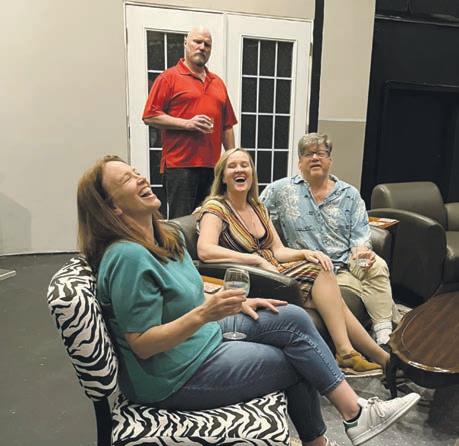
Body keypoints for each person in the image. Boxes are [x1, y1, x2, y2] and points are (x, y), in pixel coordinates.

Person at [76, 155, 420, 446]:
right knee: (296, 361)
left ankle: (356, 414)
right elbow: (143, 344)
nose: (140, 177)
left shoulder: (165, 236)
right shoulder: (128, 257)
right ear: (113, 207)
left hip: (199, 338)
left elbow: (185, 293)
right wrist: (204, 314)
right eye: (126, 179)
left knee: (292, 317)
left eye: (135, 171)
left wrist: (232, 302)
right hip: (173, 375)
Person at [197, 148, 389, 374]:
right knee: (322, 276)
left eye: (244, 165)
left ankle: (373, 357)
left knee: (328, 287)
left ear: (252, 173)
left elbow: (278, 250)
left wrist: (305, 253)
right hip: (251, 278)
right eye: (232, 166)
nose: (239, 170)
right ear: (222, 176)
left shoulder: (257, 207)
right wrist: (254, 260)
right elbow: (205, 250)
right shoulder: (216, 208)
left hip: (276, 270)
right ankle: (357, 354)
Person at [260, 132, 396, 347]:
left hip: (348, 261)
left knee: (377, 265)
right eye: (308, 154)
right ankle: (385, 324)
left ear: (330, 160)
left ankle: (384, 336)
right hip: (312, 266)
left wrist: (362, 252)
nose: (315, 158)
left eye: (321, 153)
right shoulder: (280, 190)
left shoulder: (349, 194)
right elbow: (254, 211)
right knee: (362, 289)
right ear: (300, 162)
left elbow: (360, 237)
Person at [142, 26, 237, 219]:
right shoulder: (168, 78)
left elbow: (227, 126)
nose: (202, 47)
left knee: (211, 219)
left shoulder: (217, 82)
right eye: (197, 42)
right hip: (180, 167)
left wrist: (232, 159)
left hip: (212, 168)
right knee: (182, 223)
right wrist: (187, 124)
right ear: (186, 43)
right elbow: (149, 115)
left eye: (207, 44)